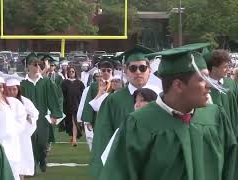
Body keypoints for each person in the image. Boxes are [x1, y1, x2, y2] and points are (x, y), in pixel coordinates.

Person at [99, 44, 237, 180]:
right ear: (178, 85)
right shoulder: (139, 124)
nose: (209, 85)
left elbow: (232, 169)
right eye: (202, 79)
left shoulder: (215, 117)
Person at [90, 46, 162, 177]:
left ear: (149, 70)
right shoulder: (113, 100)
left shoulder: (161, 99)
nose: (138, 72)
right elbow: (103, 135)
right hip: (123, 165)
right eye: (133, 68)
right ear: (125, 70)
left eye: (142, 68)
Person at [20, 52, 62, 173]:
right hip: (28, 118)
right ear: (28, 66)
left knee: (43, 143)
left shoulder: (46, 82)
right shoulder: (22, 83)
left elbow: (52, 99)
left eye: (39, 64)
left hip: (43, 118)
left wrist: (55, 114)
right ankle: (32, 166)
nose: (37, 66)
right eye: (34, 64)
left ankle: (42, 158)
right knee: (30, 142)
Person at [5, 73, 39, 177]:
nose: (12, 92)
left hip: (21, 136)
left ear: (18, 89)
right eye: (9, 89)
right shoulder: (2, 101)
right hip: (7, 136)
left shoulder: (25, 101)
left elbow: (35, 114)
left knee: (22, 162)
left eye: (14, 89)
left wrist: (28, 118)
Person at [61, 66, 85, 146]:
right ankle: (73, 136)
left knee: (75, 121)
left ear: (75, 72)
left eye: (73, 71)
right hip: (67, 105)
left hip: (77, 104)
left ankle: (74, 139)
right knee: (69, 122)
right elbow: (62, 94)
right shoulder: (64, 82)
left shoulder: (79, 83)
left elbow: (83, 94)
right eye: (70, 71)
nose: (71, 73)